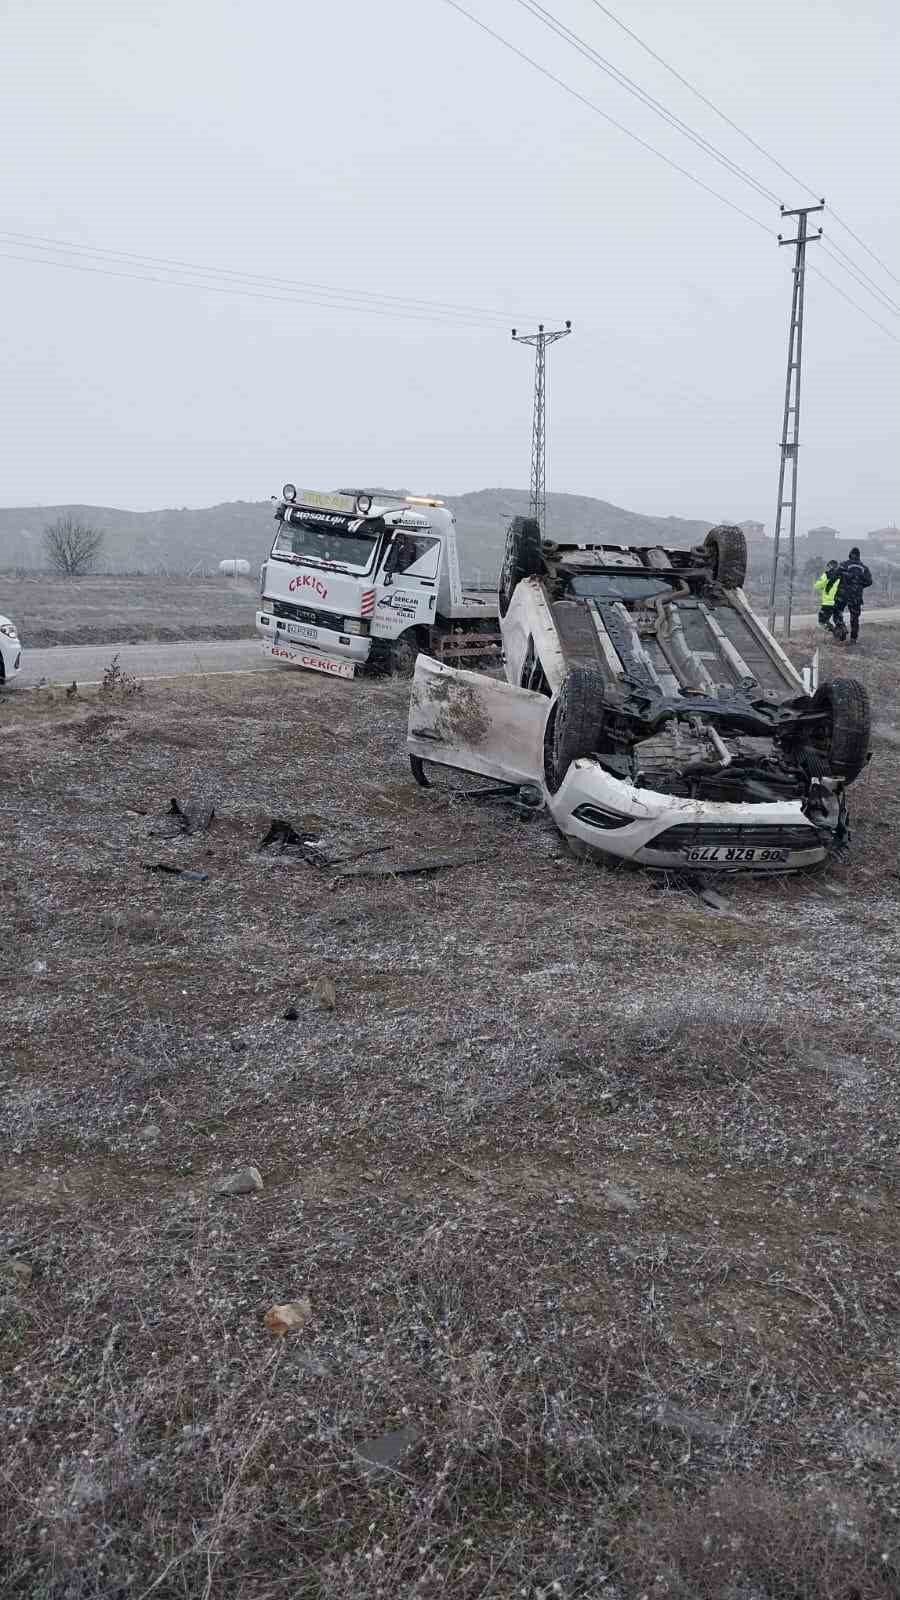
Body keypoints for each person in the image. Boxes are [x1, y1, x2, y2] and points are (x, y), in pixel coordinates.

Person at [831, 547, 873, 644]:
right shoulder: (864, 568)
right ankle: (853, 639)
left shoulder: (844, 565)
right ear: (859, 556)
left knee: (837, 613)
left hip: (842, 595)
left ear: (850, 555)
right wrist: (860, 586)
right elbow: (869, 582)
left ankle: (842, 629)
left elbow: (834, 576)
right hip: (856, 597)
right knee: (854, 618)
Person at [813, 560, 841, 632]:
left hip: (828, 603)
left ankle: (834, 631)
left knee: (822, 621)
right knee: (838, 620)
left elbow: (817, 586)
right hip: (838, 602)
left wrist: (823, 586)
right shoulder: (841, 576)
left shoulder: (827, 575)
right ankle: (841, 634)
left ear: (830, 566)